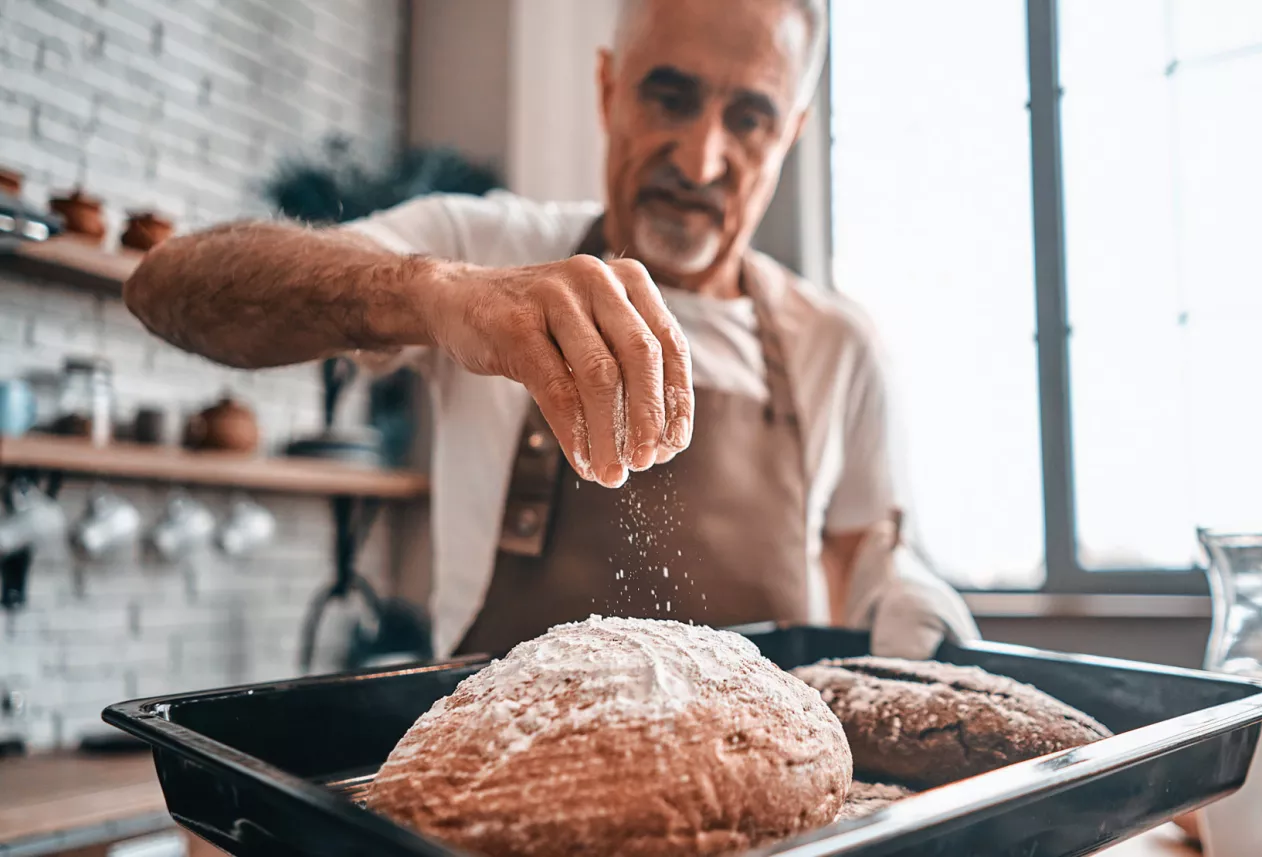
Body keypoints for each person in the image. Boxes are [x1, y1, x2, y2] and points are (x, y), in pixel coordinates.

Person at [124, 0, 978, 658]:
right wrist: (433, 295)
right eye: (668, 96)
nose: (700, 160)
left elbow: (866, 555)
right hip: (498, 804)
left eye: (748, 117)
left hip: (765, 814)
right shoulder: (485, 249)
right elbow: (171, 288)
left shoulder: (838, 345)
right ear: (609, 90)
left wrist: (911, 594)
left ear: (789, 133)